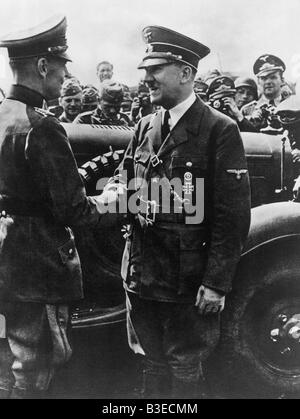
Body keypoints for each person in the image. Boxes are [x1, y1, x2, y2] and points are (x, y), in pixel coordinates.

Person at [109, 26, 251, 398]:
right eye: (145, 70)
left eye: (156, 69)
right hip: (142, 273)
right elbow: (123, 185)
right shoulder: (145, 126)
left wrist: (217, 283)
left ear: (186, 73)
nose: (147, 78)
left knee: (184, 364)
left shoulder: (219, 130)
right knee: (151, 360)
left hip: (186, 278)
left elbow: (231, 217)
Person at [0, 14, 121, 399]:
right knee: (38, 365)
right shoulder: (43, 127)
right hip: (41, 265)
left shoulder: (3, 115)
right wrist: (117, 201)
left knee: (16, 358)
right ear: (41, 66)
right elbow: (76, 212)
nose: (64, 77)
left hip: (9, 252)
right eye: (60, 67)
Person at [242, 54, 287, 132]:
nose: (268, 82)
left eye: (273, 77)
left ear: (282, 80)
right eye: (263, 78)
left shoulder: (292, 106)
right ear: (258, 82)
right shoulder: (247, 110)